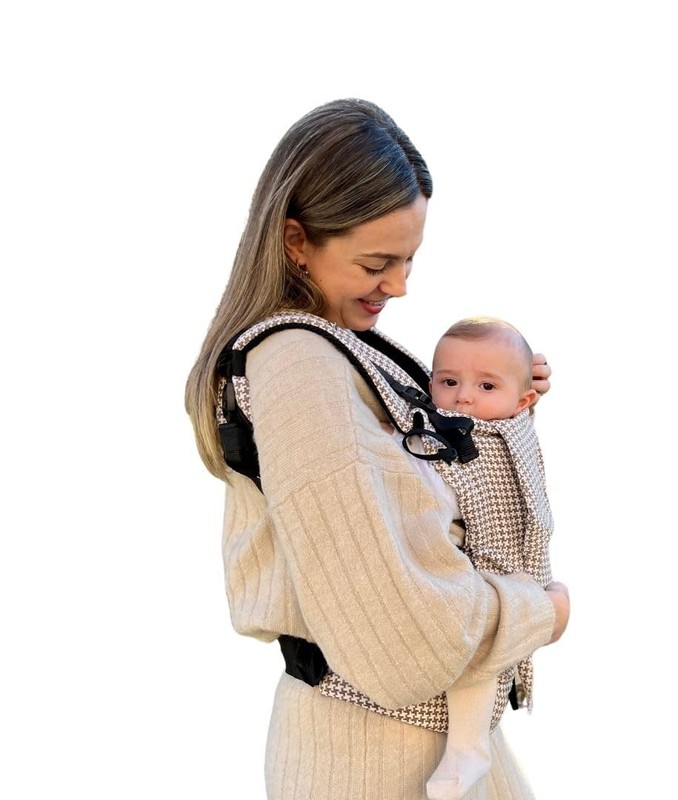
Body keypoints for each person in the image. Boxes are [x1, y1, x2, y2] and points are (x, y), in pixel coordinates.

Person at [185, 98, 570, 800]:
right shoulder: (300, 366)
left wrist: (506, 406)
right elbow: (399, 644)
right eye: (376, 262)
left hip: (415, 745)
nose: (399, 285)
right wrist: (543, 612)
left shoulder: (336, 351)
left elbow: (430, 497)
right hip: (374, 757)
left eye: (409, 259)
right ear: (296, 241)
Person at [423, 316, 566, 800]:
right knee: (473, 659)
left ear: (522, 402)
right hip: (470, 574)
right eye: (449, 381)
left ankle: (468, 749)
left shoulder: (512, 430)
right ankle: (467, 750)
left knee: (481, 666)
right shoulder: (430, 430)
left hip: (509, 574)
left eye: (485, 386)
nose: (463, 397)